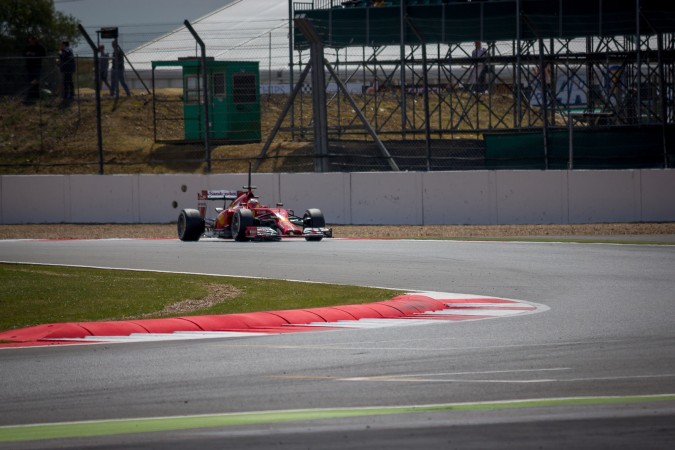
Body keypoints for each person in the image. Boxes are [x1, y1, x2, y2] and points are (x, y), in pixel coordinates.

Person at [24, 35, 46, 102]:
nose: (31, 42)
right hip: (29, 67)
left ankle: (36, 95)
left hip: (37, 67)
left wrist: (35, 54)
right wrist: (27, 53)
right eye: (30, 41)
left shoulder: (40, 47)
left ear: (35, 40)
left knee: (36, 80)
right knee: (30, 81)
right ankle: (30, 94)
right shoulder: (28, 47)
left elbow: (44, 54)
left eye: (32, 40)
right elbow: (23, 53)